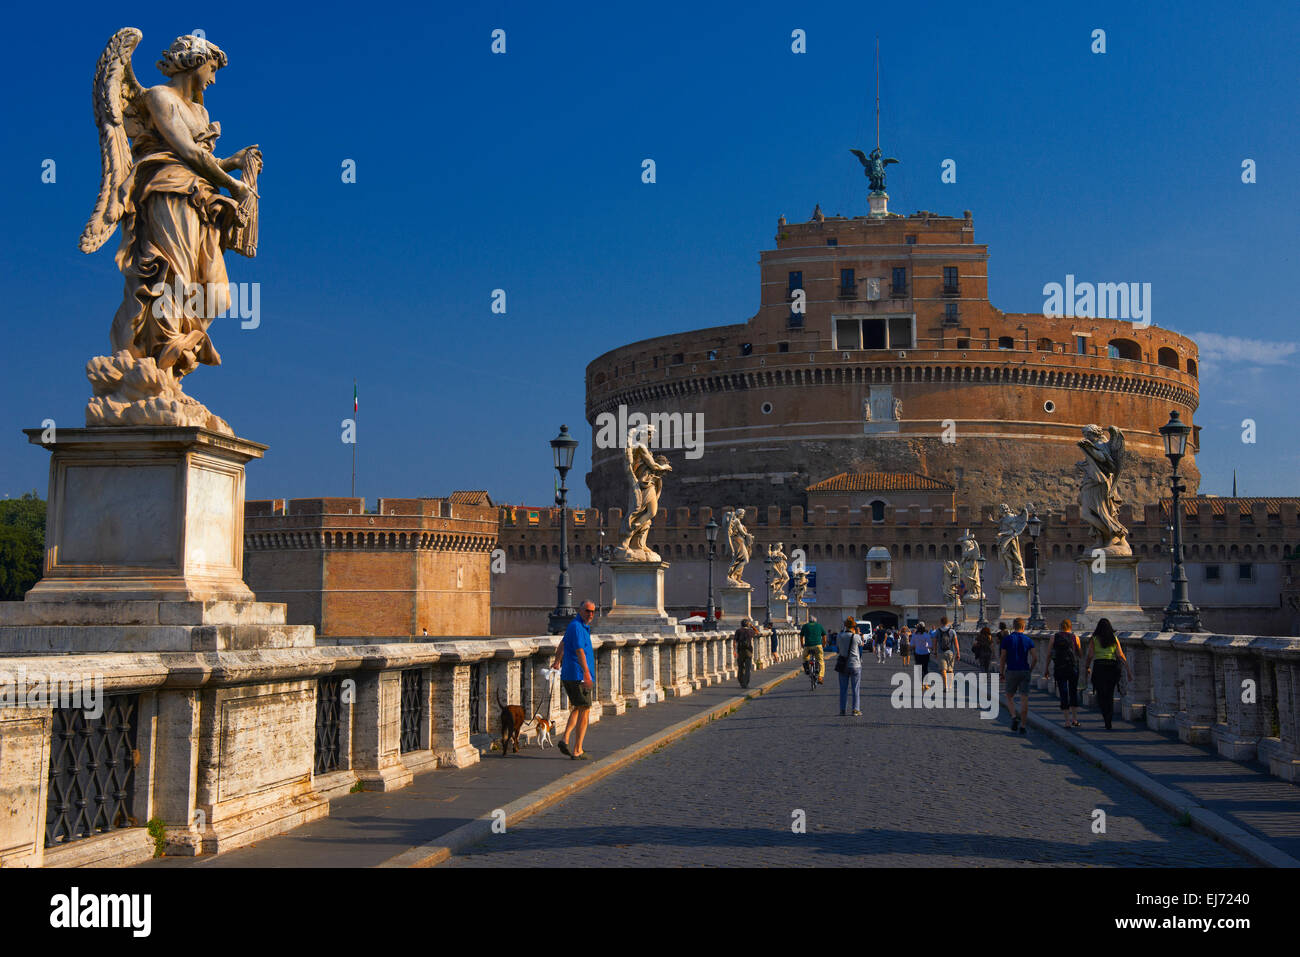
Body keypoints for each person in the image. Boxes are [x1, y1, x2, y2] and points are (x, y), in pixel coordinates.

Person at [550, 600, 596, 759]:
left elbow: (562, 645)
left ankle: (565, 738)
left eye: (592, 612)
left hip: (569, 674)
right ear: (580, 610)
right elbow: (579, 651)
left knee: (578, 706)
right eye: (587, 611)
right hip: (578, 676)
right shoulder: (577, 627)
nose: (590, 614)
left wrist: (557, 662)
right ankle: (577, 750)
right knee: (585, 709)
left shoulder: (574, 626)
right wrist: (587, 673)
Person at [1083, 617, 1133, 730]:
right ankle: (1109, 719)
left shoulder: (1094, 639)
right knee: (1110, 694)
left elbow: (1090, 655)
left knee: (1101, 694)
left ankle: (1106, 716)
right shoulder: (1114, 638)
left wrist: (1086, 667)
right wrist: (1128, 670)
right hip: (1112, 667)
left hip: (1099, 667)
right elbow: (1120, 655)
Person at [1000, 616, 1038, 734]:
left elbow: (1003, 657)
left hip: (1011, 670)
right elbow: (1035, 658)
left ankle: (1013, 716)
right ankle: (1023, 726)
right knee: (1024, 698)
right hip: (1024, 670)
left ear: (1013, 626)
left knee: (1009, 696)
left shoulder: (1007, 639)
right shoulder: (1028, 640)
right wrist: (1030, 669)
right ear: (1023, 626)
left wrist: (1001, 672)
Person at [1045, 619, 1082, 728]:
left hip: (1059, 668)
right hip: (1072, 668)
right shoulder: (1075, 637)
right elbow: (1080, 654)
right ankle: (1075, 719)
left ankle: (1066, 721)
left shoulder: (1054, 637)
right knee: (1073, 692)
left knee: (1063, 692)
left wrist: (1046, 668)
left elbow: (1048, 655)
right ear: (1070, 627)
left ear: (1060, 627)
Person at [836, 617, 866, 716]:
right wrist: (858, 633)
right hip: (855, 664)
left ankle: (842, 709)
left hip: (843, 664)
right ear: (853, 626)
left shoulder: (840, 636)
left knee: (843, 689)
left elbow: (838, 647)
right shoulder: (856, 637)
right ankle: (855, 709)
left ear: (845, 625)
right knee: (855, 688)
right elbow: (862, 644)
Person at [934, 616, 960, 692]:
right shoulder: (952, 631)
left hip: (941, 652)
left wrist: (935, 652)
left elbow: (935, 643)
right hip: (950, 652)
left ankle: (945, 686)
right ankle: (950, 686)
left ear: (941, 622)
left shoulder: (937, 631)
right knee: (950, 670)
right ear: (947, 622)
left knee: (943, 670)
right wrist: (958, 653)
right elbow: (956, 643)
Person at [800, 614, 827, 684]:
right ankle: (820, 677)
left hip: (808, 646)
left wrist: (802, 644)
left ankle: (806, 669)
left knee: (804, 657)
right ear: (815, 621)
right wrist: (823, 644)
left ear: (809, 621)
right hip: (818, 646)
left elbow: (801, 636)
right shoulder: (819, 626)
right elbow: (824, 636)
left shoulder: (805, 626)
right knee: (821, 660)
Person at [734, 617, 757, 689]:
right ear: (747, 624)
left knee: (740, 668)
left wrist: (734, 651)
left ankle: (741, 681)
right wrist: (752, 626)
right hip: (748, 651)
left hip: (740, 651)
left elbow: (734, 642)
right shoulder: (750, 631)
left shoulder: (738, 631)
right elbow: (757, 632)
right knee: (748, 669)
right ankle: (745, 683)